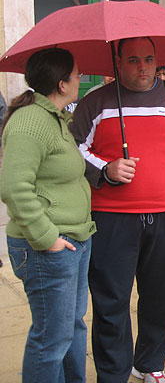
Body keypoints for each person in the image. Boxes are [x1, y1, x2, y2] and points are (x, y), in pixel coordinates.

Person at [70, 37, 165, 383]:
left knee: (162, 298)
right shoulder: (96, 103)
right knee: (111, 300)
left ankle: (149, 364)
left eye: (148, 59)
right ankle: (114, 373)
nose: (142, 67)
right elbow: (72, 148)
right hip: (111, 220)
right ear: (117, 61)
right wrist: (105, 169)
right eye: (133, 60)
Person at [0, 48, 95, 382]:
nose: (81, 80)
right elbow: (13, 186)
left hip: (75, 240)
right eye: (78, 75)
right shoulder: (30, 122)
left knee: (71, 328)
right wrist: (47, 238)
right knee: (51, 339)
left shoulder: (54, 118)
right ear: (61, 83)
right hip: (49, 248)